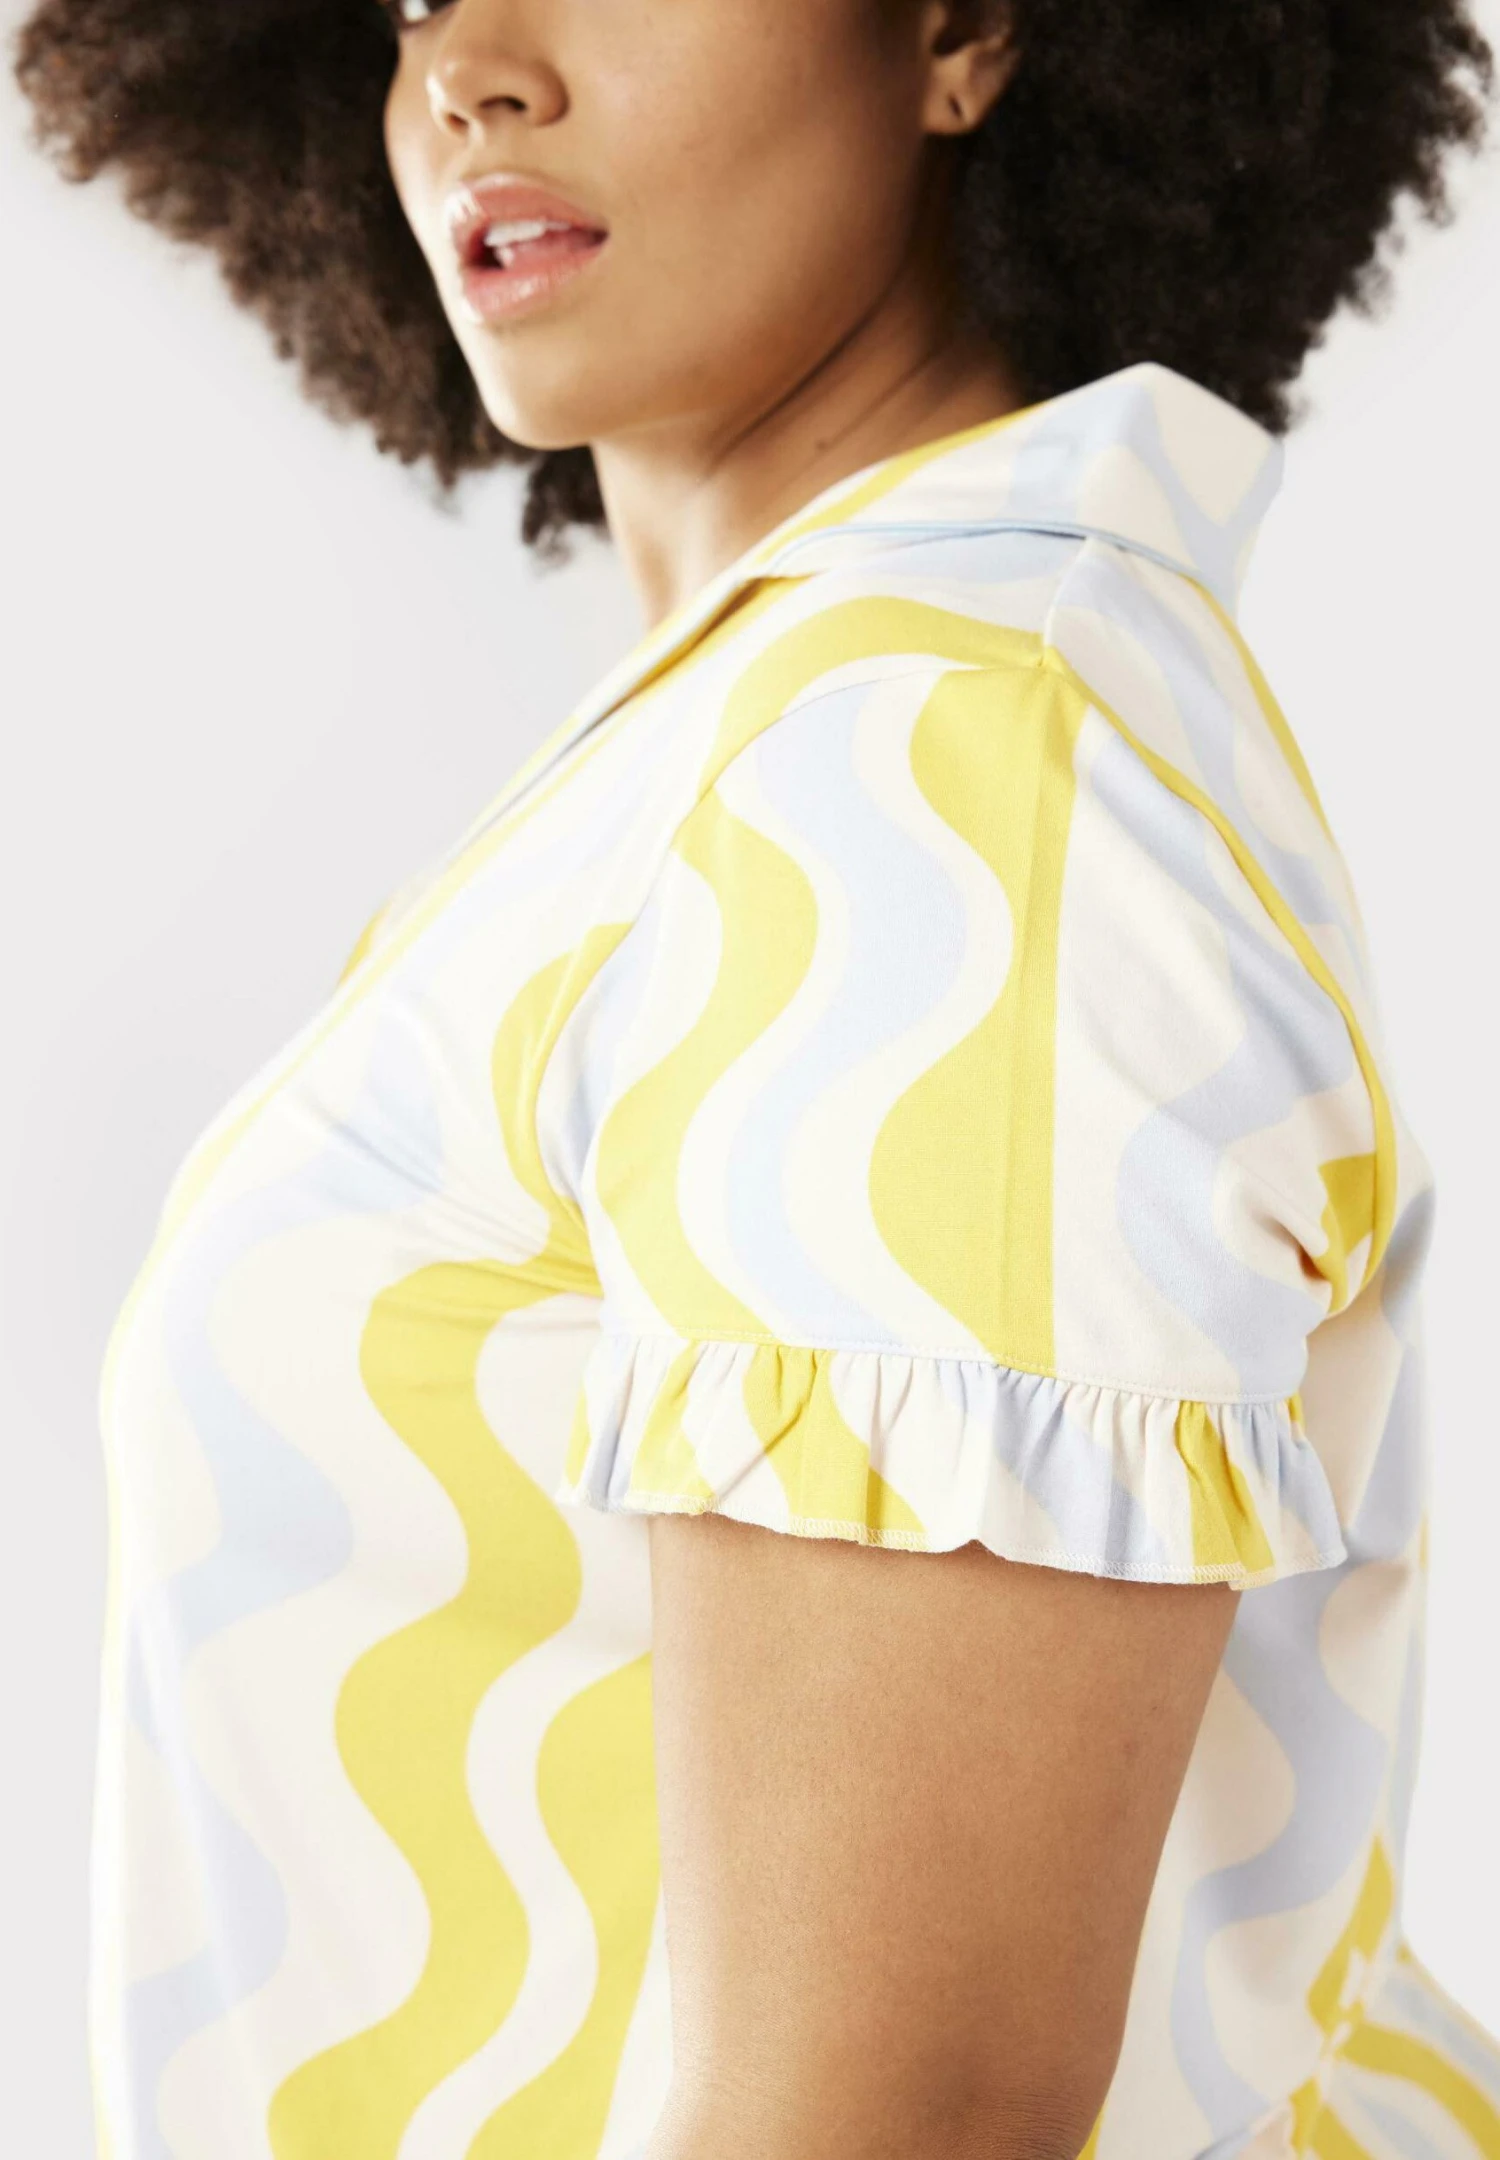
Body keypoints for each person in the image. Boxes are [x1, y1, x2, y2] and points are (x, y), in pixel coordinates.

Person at [14, 1, 1499, 2156]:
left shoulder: (932, 778)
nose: (470, 67)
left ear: (964, 31)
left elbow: (900, 2115)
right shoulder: (788, 735)